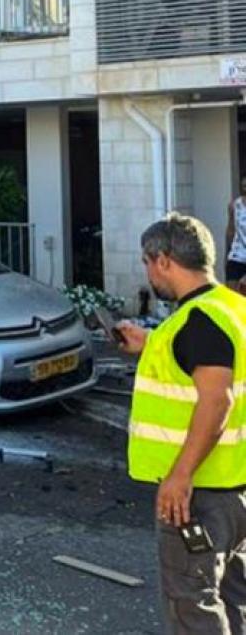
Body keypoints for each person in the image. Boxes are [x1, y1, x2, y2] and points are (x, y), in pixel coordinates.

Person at [115, 213, 246, 634]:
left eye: (147, 262)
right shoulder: (231, 308)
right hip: (238, 487)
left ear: (164, 260)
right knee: (234, 598)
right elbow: (206, 366)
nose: (148, 271)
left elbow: (217, 397)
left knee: (192, 606)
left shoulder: (198, 322)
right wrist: (150, 343)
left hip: (202, 496)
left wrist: (180, 475)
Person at [223, 178, 246, 291]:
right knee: (232, 293)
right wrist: (227, 253)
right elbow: (231, 230)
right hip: (237, 255)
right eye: (243, 186)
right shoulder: (234, 205)